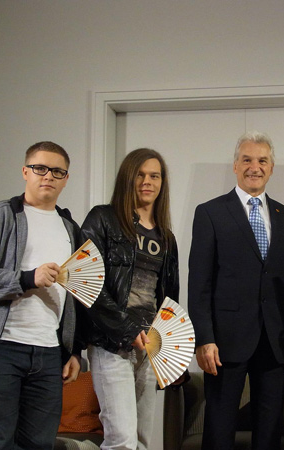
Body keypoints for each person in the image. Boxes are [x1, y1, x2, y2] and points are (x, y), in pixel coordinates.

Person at [188, 131, 284, 450]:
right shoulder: (210, 213)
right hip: (224, 342)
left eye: (262, 161)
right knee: (220, 426)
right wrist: (204, 338)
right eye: (247, 160)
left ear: (271, 168)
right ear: (235, 166)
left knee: (269, 429)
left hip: (276, 339)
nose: (255, 167)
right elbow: (199, 283)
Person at [0, 141, 82, 449]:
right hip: (1, 349)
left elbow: (77, 293)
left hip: (49, 353)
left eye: (57, 171)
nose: (48, 175)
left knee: (40, 443)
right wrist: (27, 278)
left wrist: (74, 350)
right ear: (25, 172)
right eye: (40, 168)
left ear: (66, 178)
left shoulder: (71, 228)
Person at [81, 148, 179, 450]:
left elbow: (169, 299)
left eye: (154, 176)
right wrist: (126, 329)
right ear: (127, 178)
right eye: (140, 175)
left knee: (141, 441)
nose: (147, 182)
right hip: (111, 344)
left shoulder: (166, 237)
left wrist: (169, 350)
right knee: (121, 440)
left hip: (150, 347)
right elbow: (87, 283)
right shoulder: (103, 218)